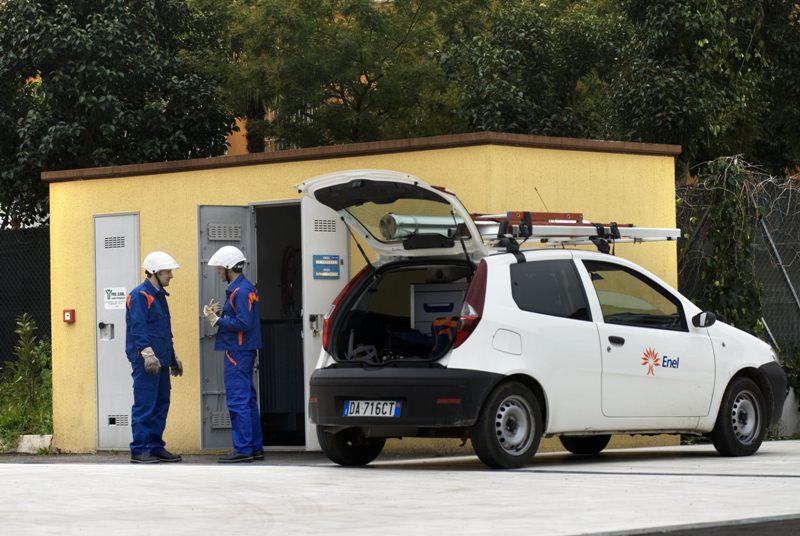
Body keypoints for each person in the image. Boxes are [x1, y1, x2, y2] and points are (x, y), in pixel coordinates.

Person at [203, 245, 263, 463]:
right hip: (243, 350)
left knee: (238, 401)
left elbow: (243, 323)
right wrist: (221, 314)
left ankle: (243, 449)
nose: (218, 272)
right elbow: (241, 317)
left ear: (228, 268)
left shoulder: (241, 291)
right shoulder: (243, 288)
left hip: (237, 351)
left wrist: (217, 320)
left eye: (220, 268)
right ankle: (254, 447)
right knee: (247, 400)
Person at [125, 251, 183, 464]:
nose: (171, 276)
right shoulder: (140, 295)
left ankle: (155, 446)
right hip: (146, 361)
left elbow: (164, 330)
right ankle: (139, 449)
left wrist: (172, 356)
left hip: (161, 360)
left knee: (161, 403)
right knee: (145, 404)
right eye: (168, 272)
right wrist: (147, 353)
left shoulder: (158, 295)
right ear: (156, 272)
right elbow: (138, 327)